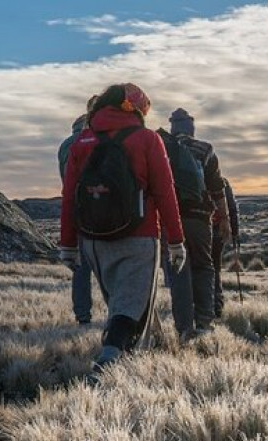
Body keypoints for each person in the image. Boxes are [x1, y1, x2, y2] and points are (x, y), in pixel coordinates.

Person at [58, 83, 185, 378]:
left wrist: (68, 244)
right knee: (128, 308)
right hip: (138, 237)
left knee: (120, 304)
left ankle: (128, 363)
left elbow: (69, 197)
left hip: (93, 240)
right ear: (139, 109)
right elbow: (165, 193)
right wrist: (177, 240)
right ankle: (108, 362)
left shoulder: (82, 142)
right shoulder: (147, 140)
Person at [161, 108, 230, 341]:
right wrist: (225, 219)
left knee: (178, 271)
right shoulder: (205, 149)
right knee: (204, 267)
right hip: (200, 219)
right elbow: (217, 188)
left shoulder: (162, 147)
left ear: (173, 127)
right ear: (191, 127)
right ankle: (205, 322)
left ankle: (184, 328)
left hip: (170, 220)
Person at [57, 95, 99, 325]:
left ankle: (82, 315)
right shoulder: (91, 140)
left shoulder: (64, 146)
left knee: (80, 269)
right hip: (97, 206)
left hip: (75, 209)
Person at [213, 175, 239, 316]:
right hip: (217, 231)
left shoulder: (195, 176)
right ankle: (217, 304)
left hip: (202, 229)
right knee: (215, 268)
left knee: (199, 268)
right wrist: (234, 231)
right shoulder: (223, 182)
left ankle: (202, 305)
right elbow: (232, 208)